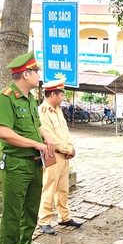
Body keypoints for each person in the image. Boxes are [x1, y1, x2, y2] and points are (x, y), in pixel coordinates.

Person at [0, 52, 56, 244]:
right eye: (36, 71)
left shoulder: (30, 98)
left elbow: (37, 125)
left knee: (31, 211)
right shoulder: (6, 97)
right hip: (16, 165)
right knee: (12, 214)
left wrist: (47, 138)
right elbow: (4, 132)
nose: (39, 75)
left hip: (34, 163)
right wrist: (36, 144)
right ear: (26, 73)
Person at [37, 77, 82, 235]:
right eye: (61, 94)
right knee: (49, 187)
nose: (63, 98)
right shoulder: (42, 112)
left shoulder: (57, 111)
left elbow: (65, 133)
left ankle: (64, 216)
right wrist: (67, 150)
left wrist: (70, 147)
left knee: (63, 188)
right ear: (52, 95)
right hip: (52, 154)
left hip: (63, 156)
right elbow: (51, 138)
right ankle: (44, 220)